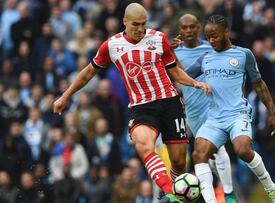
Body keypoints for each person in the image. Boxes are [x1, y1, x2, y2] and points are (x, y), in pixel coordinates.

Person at [53, 2, 211, 202]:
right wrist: (65, 96)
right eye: (135, 24)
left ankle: (174, 196)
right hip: (141, 107)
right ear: (124, 22)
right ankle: (171, 192)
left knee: (179, 163)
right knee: (143, 145)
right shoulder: (111, 46)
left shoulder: (159, 38)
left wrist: (195, 83)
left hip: (169, 102)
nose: (140, 29)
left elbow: (175, 71)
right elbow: (88, 73)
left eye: (143, 24)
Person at [189, 15, 275, 203]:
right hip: (214, 118)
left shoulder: (243, 55)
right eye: (208, 37)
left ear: (226, 32)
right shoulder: (205, 58)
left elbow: (259, 85)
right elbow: (181, 74)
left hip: (237, 114)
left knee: (243, 150)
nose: (211, 40)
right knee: (199, 153)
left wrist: (272, 113)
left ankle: (270, 187)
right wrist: (171, 56)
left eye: (214, 35)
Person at [172, 14, 237, 202]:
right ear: (180, 29)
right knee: (209, 157)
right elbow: (179, 77)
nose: (189, 31)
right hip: (192, 111)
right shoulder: (174, 52)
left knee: (219, 149)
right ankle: (219, 190)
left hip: (212, 106)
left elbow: (189, 73)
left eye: (192, 27)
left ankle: (228, 194)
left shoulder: (210, 48)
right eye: (185, 28)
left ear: (198, 27)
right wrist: (170, 54)